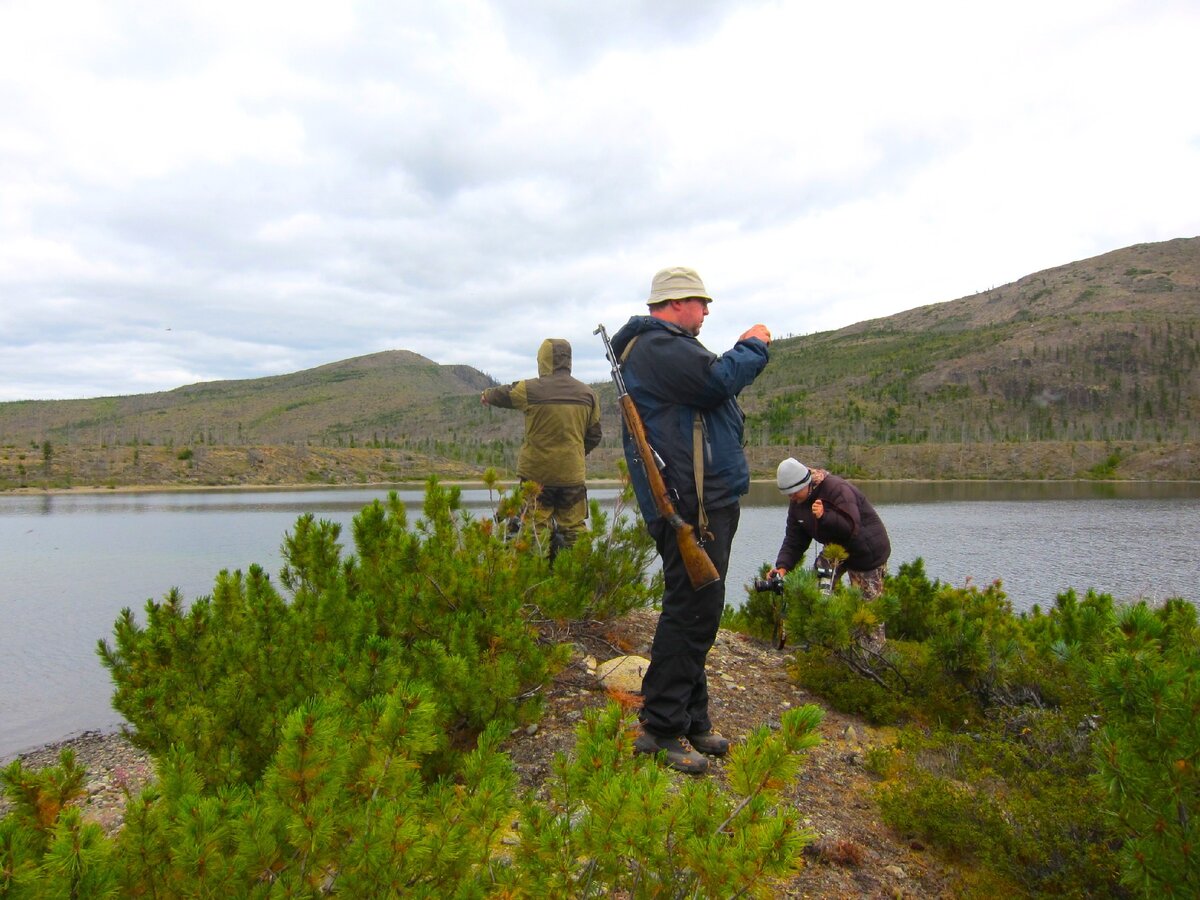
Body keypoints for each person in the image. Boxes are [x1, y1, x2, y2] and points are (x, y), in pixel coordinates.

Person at [610, 266, 770, 774]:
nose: (705, 313)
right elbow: (719, 380)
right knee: (691, 612)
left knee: (700, 608)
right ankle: (659, 729)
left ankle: (692, 718)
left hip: (699, 502)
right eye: (701, 304)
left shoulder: (662, 346)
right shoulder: (660, 347)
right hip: (691, 507)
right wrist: (754, 345)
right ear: (678, 303)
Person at [481, 338, 602, 552]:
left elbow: (503, 393)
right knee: (575, 530)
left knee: (535, 530)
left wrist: (486, 396)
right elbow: (594, 435)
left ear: (542, 360)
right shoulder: (588, 394)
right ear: (568, 361)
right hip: (572, 477)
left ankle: (536, 580)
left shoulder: (530, 389)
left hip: (537, 477)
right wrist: (574, 454)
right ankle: (582, 577)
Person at [768, 458, 891, 600]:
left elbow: (850, 528)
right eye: (788, 494)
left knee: (867, 611)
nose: (792, 497)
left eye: (794, 492)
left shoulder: (836, 489)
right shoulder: (797, 502)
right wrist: (782, 567)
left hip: (867, 553)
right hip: (834, 548)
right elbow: (794, 540)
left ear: (805, 483)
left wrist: (824, 517)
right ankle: (824, 618)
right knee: (814, 594)